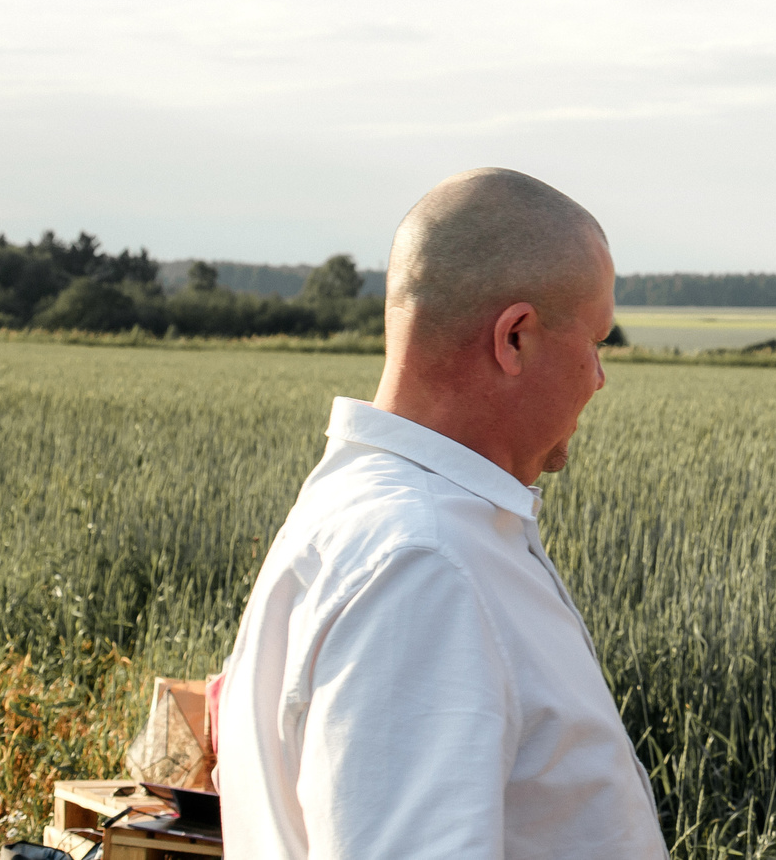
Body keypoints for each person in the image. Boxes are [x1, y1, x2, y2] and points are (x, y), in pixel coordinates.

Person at [218, 168, 668, 860]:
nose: (600, 376)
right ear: (514, 337)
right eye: (596, 341)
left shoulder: (377, 512)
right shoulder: (423, 562)